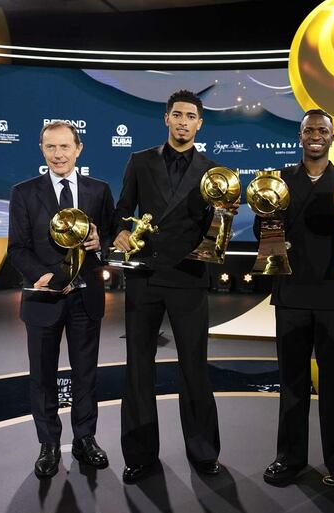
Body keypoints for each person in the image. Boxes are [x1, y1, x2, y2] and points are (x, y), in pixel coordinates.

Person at [257, 109, 334, 487]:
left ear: (332, 137)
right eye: (310, 130)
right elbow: (263, 231)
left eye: (323, 130)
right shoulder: (278, 182)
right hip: (290, 294)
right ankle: (289, 459)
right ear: (300, 135)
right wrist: (266, 211)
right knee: (291, 382)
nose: (316, 135)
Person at [113, 89, 223, 483]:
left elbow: (218, 226)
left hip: (190, 278)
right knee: (139, 368)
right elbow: (122, 210)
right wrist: (123, 231)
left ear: (199, 123)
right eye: (176, 114)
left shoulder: (214, 173)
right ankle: (140, 455)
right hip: (145, 276)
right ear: (166, 119)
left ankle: (203, 451)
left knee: (194, 367)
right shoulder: (139, 161)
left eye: (190, 116)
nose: (182, 122)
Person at [8, 120, 115, 479]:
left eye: (64, 147)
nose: (58, 154)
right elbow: (17, 249)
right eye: (51, 147)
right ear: (42, 149)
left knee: (86, 374)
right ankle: (49, 444)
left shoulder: (99, 191)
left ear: (78, 149)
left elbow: (112, 237)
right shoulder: (23, 193)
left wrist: (102, 242)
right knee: (42, 376)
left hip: (85, 298)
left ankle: (85, 439)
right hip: (43, 299)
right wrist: (47, 277)